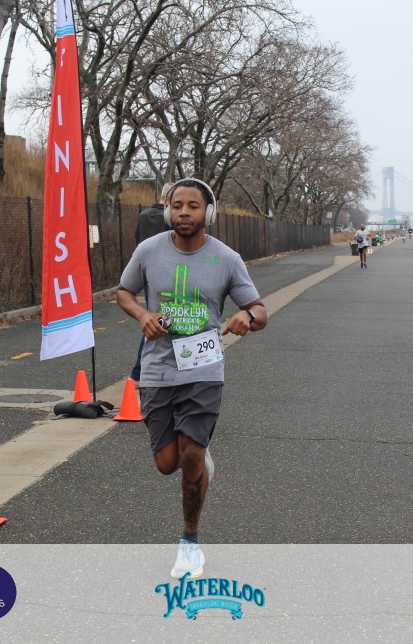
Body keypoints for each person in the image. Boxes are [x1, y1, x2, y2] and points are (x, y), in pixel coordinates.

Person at [117, 178, 267, 579]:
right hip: (157, 369)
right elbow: (124, 292)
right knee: (167, 464)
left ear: (208, 212)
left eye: (193, 206)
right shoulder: (149, 251)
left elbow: (260, 309)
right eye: (177, 205)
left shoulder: (226, 258)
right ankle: (197, 460)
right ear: (168, 211)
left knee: (189, 458)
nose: (184, 212)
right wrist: (142, 314)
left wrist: (246, 316)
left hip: (203, 369)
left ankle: (189, 542)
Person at [130, 182, 174, 382]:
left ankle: (142, 369)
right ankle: (141, 370)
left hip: (148, 274)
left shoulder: (144, 216)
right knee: (163, 321)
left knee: (155, 317)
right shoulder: (170, 218)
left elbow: (138, 242)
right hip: (169, 276)